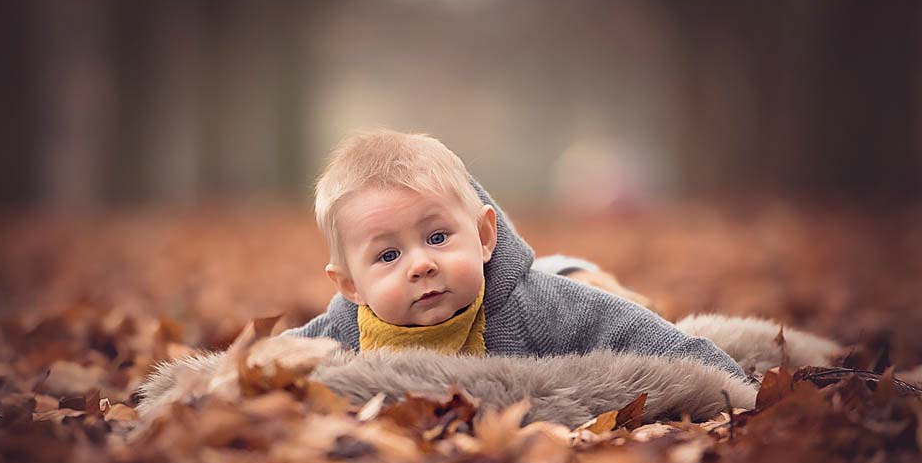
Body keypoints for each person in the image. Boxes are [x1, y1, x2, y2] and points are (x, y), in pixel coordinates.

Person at [291, 128, 746, 380]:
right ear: (351, 286)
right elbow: (268, 363)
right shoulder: (342, 330)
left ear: (484, 235)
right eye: (388, 256)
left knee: (592, 288)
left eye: (436, 238)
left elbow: (634, 332)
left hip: (560, 278)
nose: (421, 265)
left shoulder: (537, 304)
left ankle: (578, 271)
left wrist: (728, 379)